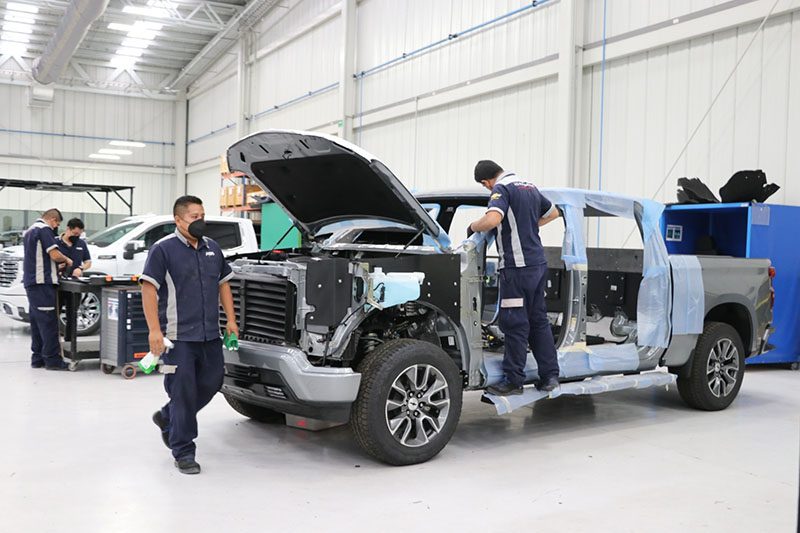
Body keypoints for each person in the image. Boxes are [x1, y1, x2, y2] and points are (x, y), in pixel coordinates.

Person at [140, 195, 239, 475]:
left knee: (213, 381)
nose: (200, 221)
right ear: (178, 220)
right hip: (178, 337)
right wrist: (154, 330)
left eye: (202, 216)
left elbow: (223, 285)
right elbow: (148, 289)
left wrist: (231, 321)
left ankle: (167, 416)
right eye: (194, 217)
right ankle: (183, 450)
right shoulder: (163, 250)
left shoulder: (212, 248)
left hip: (210, 334)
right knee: (182, 392)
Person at [468, 160, 561, 396]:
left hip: (517, 268)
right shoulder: (529, 186)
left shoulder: (501, 189)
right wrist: (528, 225)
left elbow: (492, 220)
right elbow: (553, 213)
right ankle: (550, 377)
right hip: (537, 265)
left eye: (485, 186)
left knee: (514, 323)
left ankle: (513, 381)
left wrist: (473, 226)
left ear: (486, 182)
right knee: (538, 321)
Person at [22, 209, 73, 370]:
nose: (56, 227)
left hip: (32, 283)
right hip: (42, 283)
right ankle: (52, 360)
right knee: (49, 323)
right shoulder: (44, 229)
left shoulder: (30, 230)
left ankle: (37, 358)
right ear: (52, 219)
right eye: (57, 224)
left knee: (38, 324)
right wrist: (67, 260)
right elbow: (55, 255)